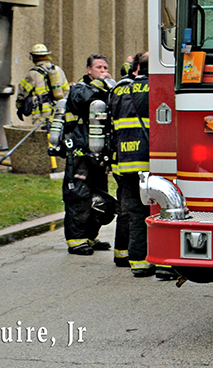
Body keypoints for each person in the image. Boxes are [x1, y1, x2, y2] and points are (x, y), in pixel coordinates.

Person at [61, 54, 116, 255]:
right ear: (89, 70)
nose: (103, 70)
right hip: (80, 153)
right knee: (79, 197)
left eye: (105, 67)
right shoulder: (79, 89)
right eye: (99, 67)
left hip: (99, 155)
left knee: (100, 198)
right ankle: (76, 241)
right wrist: (100, 85)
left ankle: (91, 237)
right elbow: (83, 100)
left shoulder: (107, 91)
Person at [108, 52, 153, 276]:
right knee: (158, 211)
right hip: (150, 161)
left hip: (124, 163)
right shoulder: (155, 88)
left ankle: (137, 262)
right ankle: (162, 264)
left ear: (136, 68)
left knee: (134, 212)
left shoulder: (118, 90)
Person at [15, 43, 69, 125]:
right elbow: (66, 90)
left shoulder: (33, 73)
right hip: (58, 112)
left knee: (40, 135)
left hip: (41, 113)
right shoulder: (58, 70)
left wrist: (20, 107)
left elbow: (22, 91)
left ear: (33, 57)